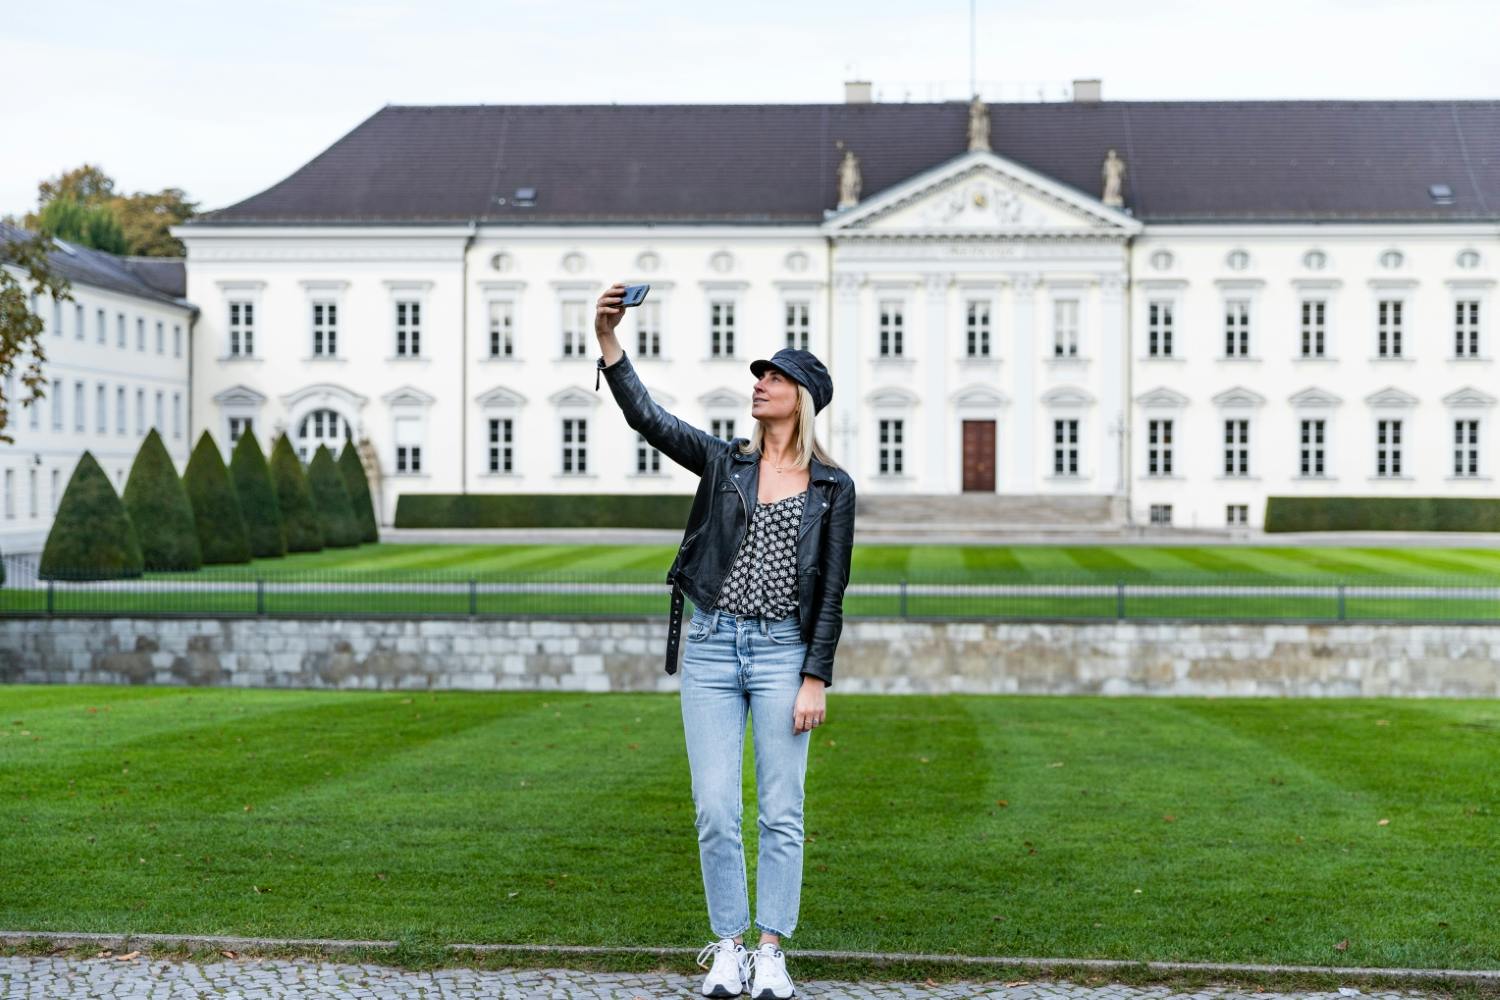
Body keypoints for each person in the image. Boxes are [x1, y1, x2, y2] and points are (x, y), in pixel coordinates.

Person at [594, 281, 856, 999]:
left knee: (781, 808)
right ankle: (729, 946)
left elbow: (830, 590)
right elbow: (651, 420)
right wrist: (610, 340)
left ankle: (772, 949)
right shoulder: (723, 462)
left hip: (781, 653)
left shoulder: (832, 488)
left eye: (773, 377)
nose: (760, 384)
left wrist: (815, 678)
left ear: (801, 395)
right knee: (715, 808)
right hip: (711, 647)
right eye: (760, 376)